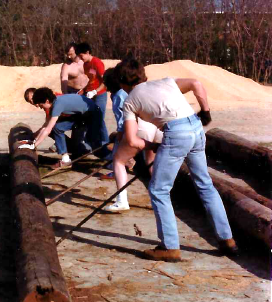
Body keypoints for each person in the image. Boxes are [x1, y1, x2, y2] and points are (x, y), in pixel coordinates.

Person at [116, 59, 238, 262]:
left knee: (158, 189)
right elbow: (196, 84)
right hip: (196, 128)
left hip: (176, 133)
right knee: (205, 185)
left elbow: (131, 140)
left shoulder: (129, 101)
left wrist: (153, 146)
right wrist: (205, 111)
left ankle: (170, 247)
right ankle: (227, 240)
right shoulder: (166, 82)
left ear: (122, 82)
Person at [102, 67, 163, 212]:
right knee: (150, 160)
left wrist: (120, 135)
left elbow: (124, 120)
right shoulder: (140, 89)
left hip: (139, 127)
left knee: (118, 160)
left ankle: (121, 200)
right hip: (155, 125)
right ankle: (161, 197)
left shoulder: (118, 95)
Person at [31, 87, 109, 169]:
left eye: (41, 105)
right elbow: (46, 126)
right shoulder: (55, 102)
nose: (40, 107)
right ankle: (66, 159)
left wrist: (34, 145)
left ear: (47, 101)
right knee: (57, 127)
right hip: (82, 116)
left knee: (96, 147)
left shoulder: (58, 104)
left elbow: (48, 129)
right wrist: (33, 139)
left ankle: (114, 159)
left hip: (93, 114)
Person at [76, 42, 109, 145]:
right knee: (90, 118)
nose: (81, 59)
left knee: (99, 118)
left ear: (87, 52)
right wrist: (83, 90)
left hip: (100, 95)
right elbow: (92, 79)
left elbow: (105, 81)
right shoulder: (86, 65)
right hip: (90, 94)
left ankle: (105, 141)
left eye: (82, 56)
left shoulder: (97, 63)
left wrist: (95, 91)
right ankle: (93, 140)